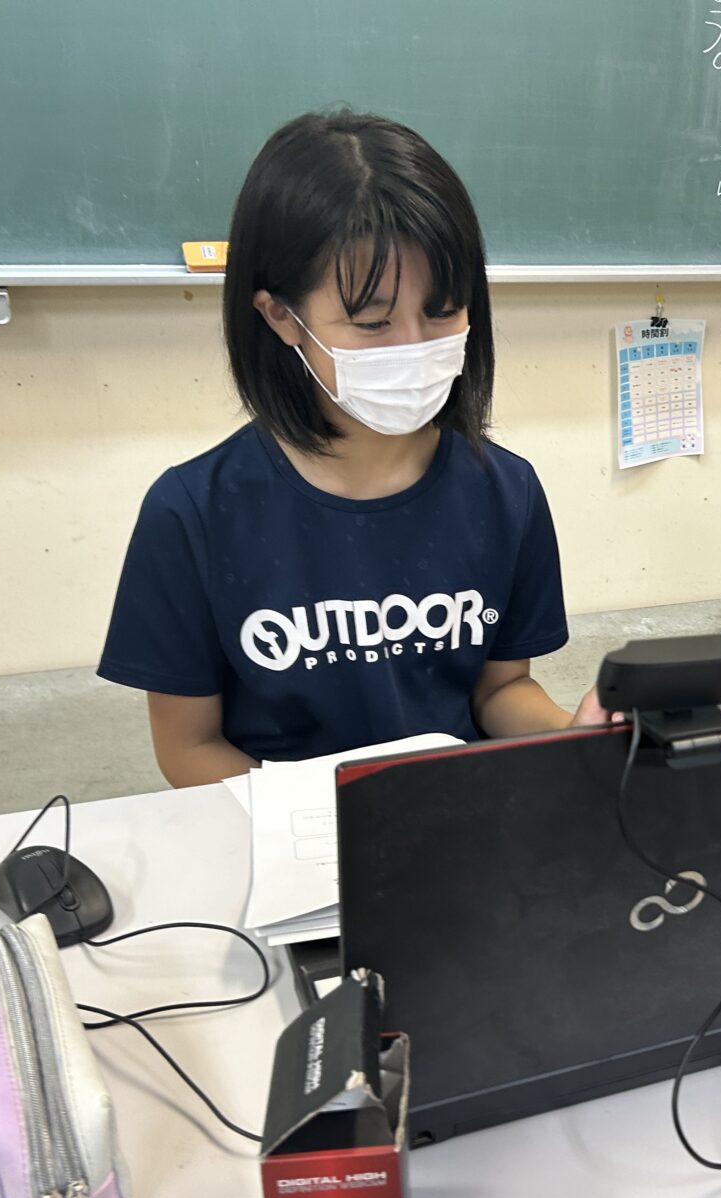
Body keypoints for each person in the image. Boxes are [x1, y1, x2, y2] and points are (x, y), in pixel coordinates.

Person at [100, 112, 601, 787]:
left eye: (443, 311)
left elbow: (498, 692)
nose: (416, 347)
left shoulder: (504, 491)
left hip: (449, 821)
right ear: (281, 316)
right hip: (281, 844)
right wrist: (322, 827)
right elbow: (189, 748)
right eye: (373, 322)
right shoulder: (193, 513)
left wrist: (574, 735)